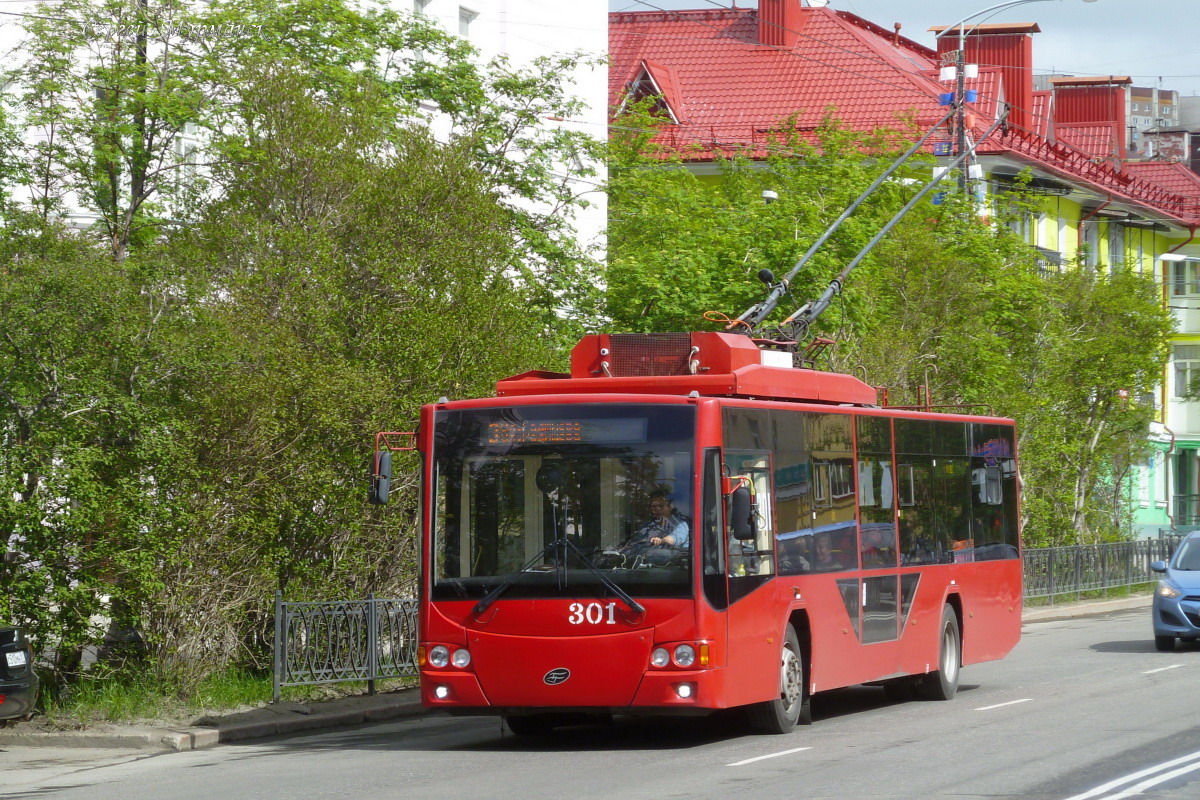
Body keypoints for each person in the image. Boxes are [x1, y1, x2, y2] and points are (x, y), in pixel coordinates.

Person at [618, 490, 689, 565]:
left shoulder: (680, 525)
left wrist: (662, 540)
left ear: (669, 507)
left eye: (660, 506)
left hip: (673, 569)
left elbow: (675, 538)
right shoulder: (649, 525)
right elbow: (636, 540)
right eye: (653, 506)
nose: (656, 509)